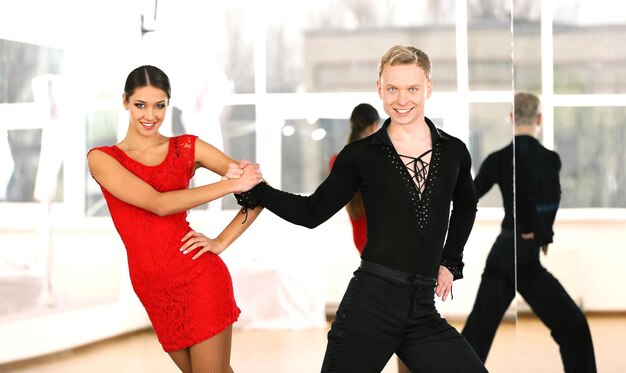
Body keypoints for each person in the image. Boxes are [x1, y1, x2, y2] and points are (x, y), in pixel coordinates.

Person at [235, 45, 487, 372]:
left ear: (428, 87)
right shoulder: (360, 156)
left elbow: (466, 204)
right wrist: (260, 191)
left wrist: (450, 261)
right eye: (393, 89)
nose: (402, 99)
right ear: (380, 89)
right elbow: (312, 212)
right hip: (370, 308)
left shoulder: (454, 151)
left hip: (422, 311)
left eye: (412, 88)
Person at [87, 65, 263, 373]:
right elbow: (159, 203)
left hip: (199, 278)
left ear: (169, 105)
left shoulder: (186, 148)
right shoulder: (102, 159)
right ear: (125, 101)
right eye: (140, 104)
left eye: (159, 105)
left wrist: (221, 241)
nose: (150, 115)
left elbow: (259, 192)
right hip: (154, 289)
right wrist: (232, 184)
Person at [461, 92, 597, 372]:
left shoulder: (497, 158)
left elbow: (469, 196)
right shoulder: (548, 159)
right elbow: (548, 200)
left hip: (503, 256)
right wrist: (539, 233)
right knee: (574, 326)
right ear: (539, 118)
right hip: (523, 259)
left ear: (512, 118)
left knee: (476, 337)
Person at [330, 104, 411, 373]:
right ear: (376, 126)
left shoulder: (338, 159)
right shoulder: (381, 156)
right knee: (403, 321)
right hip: (388, 245)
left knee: (389, 315)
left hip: (363, 243)